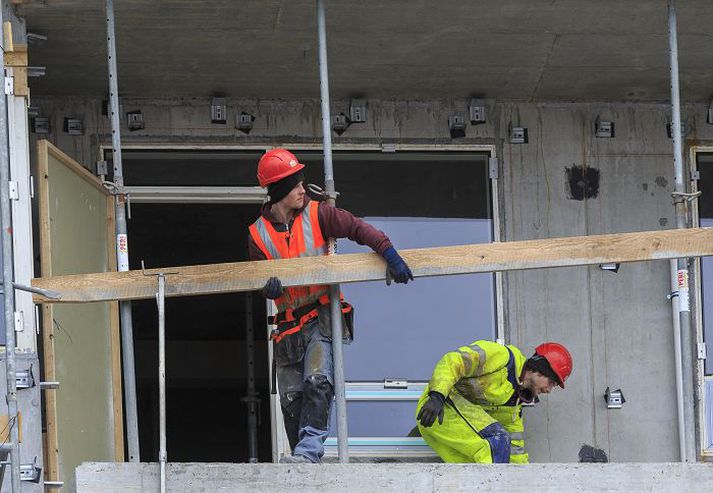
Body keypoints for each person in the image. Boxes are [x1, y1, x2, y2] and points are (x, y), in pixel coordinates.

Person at [248, 148, 414, 464]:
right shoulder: (257, 234)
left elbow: (357, 228)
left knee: (317, 381)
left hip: (320, 316)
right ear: (279, 191)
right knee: (291, 398)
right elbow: (258, 281)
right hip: (286, 326)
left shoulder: (319, 214)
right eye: (295, 185)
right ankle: (301, 456)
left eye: (301, 183)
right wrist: (266, 289)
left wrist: (388, 252)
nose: (301, 190)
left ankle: (310, 451)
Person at [416, 339, 572, 463]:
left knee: (480, 468)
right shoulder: (501, 357)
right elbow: (454, 361)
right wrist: (437, 396)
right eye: (551, 382)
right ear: (538, 369)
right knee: (497, 439)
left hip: (456, 425)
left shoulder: (515, 403)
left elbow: (515, 447)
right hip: (437, 409)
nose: (548, 390)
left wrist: (524, 479)